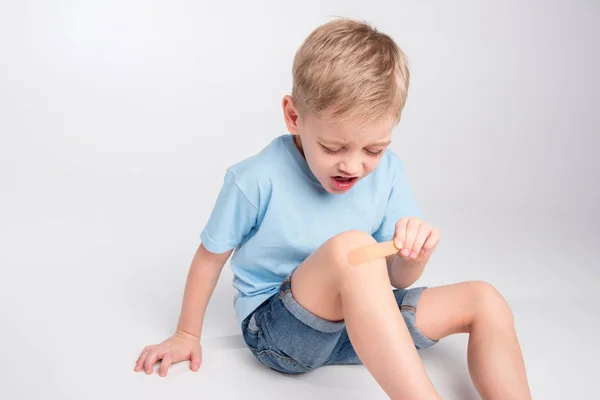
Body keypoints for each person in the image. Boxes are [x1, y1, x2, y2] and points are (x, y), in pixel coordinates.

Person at [134, 18, 532, 399]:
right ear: (294, 116)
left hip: (365, 326)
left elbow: (396, 278)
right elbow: (209, 259)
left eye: (374, 149)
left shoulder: (390, 173)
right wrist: (187, 334)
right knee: (351, 249)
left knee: (485, 298)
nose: (353, 165)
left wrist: (415, 254)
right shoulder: (256, 178)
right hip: (282, 331)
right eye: (333, 148)